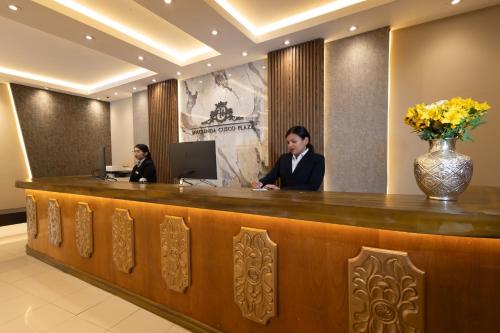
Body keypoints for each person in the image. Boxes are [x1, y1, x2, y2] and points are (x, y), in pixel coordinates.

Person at [251, 126, 325, 191]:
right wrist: (260, 183)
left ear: (306, 141)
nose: (290, 145)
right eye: (288, 142)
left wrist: (281, 190)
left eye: (294, 142)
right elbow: (271, 177)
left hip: (307, 203)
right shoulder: (284, 158)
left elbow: (313, 186)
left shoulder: (317, 159)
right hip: (284, 202)